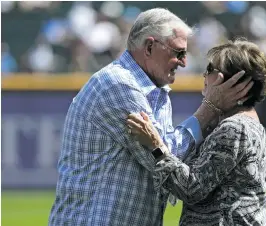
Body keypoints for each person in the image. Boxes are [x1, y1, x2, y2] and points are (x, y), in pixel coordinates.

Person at [48, 8, 253, 226]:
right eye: (179, 53)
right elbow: (166, 156)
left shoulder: (153, 88)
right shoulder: (119, 84)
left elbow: (166, 159)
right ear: (149, 47)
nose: (184, 62)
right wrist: (210, 107)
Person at [127, 39, 266, 226]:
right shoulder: (246, 122)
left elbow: (191, 188)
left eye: (211, 70)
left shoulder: (235, 128)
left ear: (236, 83)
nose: (204, 75)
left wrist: (156, 146)